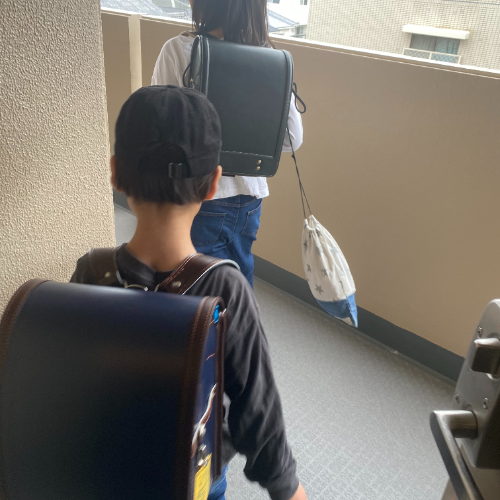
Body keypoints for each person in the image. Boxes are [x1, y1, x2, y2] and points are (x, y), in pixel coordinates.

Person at [70, 86, 307, 500]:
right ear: (213, 183)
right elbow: (258, 410)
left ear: (115, 173)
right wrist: (287, 488)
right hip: (193, 478)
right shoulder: (225, 288)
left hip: (108, 470)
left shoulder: (91, 270)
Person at [151, 0, 303, 287]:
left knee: (197, 287)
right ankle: (239, 317)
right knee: (238, 279)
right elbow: (293, 138)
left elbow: (161, 131)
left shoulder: (180, 49)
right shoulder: (271, 58)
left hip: (198, 193)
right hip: (250, 197)